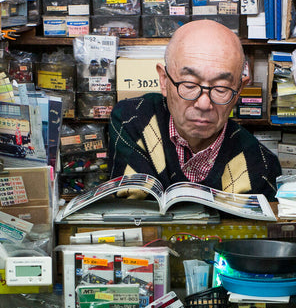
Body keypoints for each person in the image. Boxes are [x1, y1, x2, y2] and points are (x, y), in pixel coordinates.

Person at [108, 19, 281, 199]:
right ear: (164, 81)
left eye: (221, 88)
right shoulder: (131, 119)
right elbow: (131, 208)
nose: (204, 104)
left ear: (238, 91)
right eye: (189, 85)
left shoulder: (261, 164)